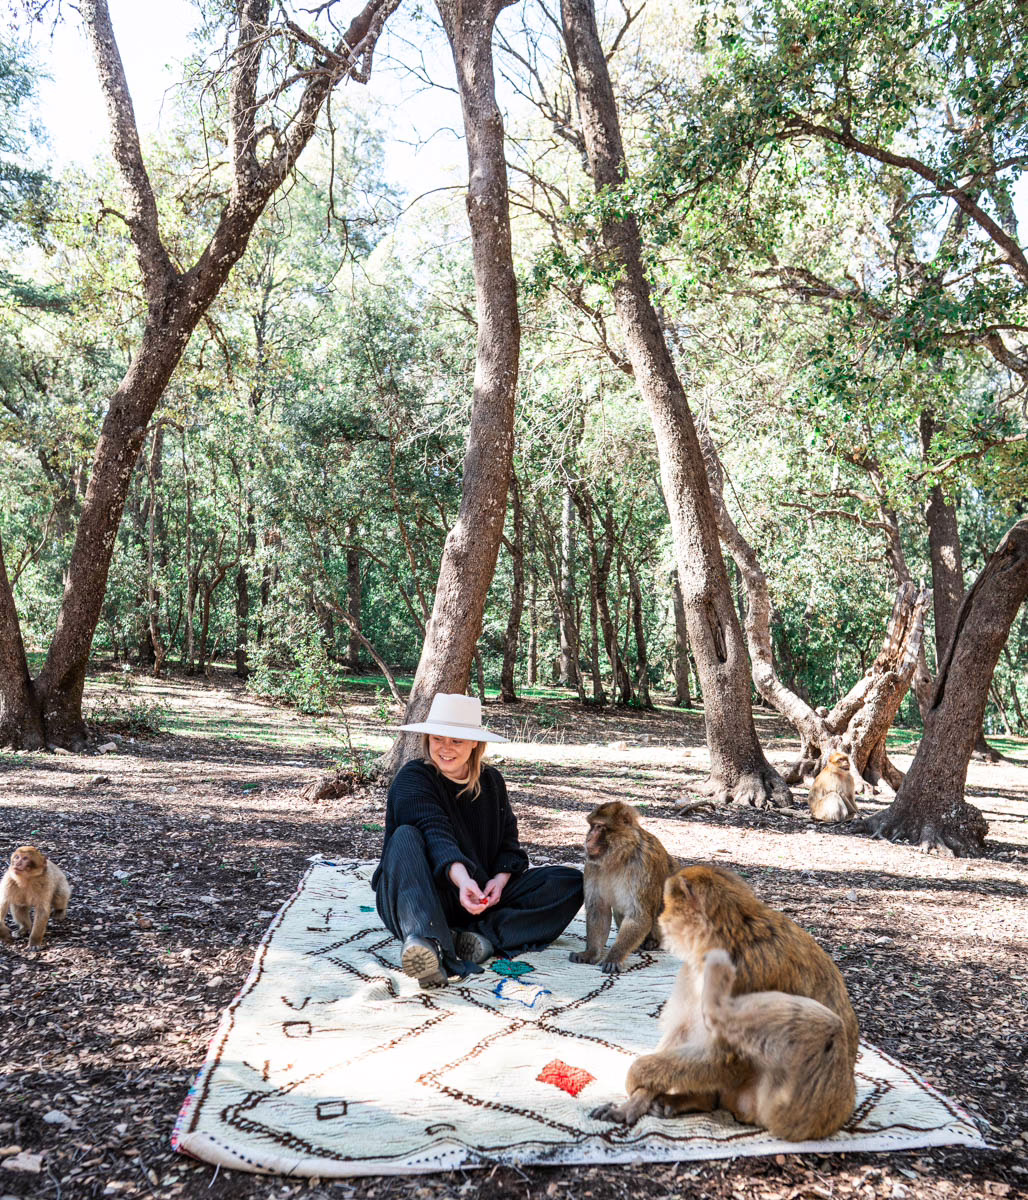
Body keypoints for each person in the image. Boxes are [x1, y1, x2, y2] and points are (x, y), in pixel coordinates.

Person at [372, 692, 584, 988]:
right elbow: (435, 834)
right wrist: (463, 882)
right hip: (419, 897)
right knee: (404, 836)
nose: (445, 748)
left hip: (476, 896)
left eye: (456, 741)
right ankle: (429, 943)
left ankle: (476, 937)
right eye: (437, 739)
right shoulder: (414, 777)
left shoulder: (492, 781)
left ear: (474, 743)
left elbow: (509, 843)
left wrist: (499, 881)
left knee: (570, 883)